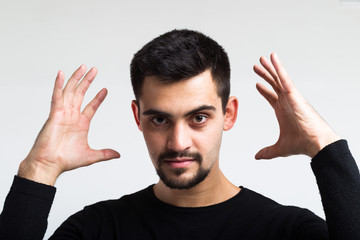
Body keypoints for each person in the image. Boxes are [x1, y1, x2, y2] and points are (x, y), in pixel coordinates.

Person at [0, 29, 359, 239]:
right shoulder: (97, 229)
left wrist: (325, 148)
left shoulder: (284, 231)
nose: (178, 142)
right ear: (137, 117)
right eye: (159, 120)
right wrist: (40, 168)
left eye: (199, 118)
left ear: (228, 114)